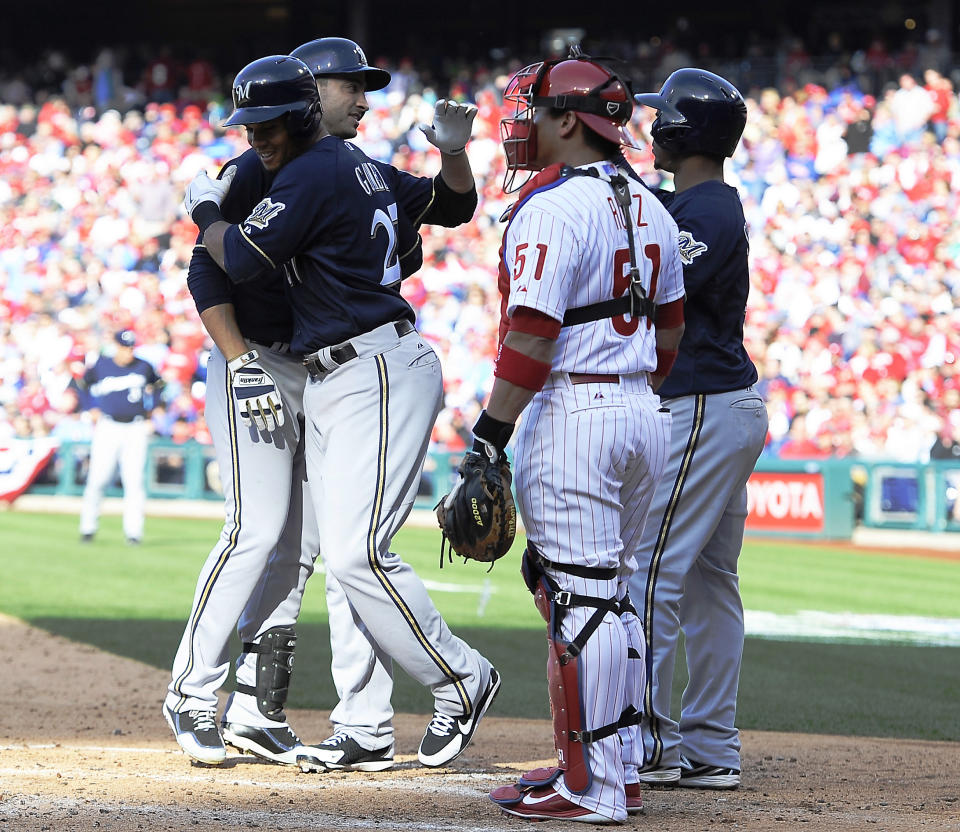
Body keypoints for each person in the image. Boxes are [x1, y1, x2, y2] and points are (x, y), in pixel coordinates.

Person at [176, 53, 499, 771]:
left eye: (362, 87)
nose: (361, 98)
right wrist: (239, 359)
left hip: (365, 364)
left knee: (351, 553)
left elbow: (243, 256)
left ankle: (455, 684)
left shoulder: (326, 168)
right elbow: (211, 273)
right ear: (309, 92)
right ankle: (354, 723)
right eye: (350, 84)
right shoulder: (348, 168)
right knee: (315, 548)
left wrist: (202, 208)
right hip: (320, 366)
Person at [480, 50, 686, 823]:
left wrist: (487, 436)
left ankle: (591, 786)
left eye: (534, 112)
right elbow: (670, 338)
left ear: (569, 119)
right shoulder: (654, 204)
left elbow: (530, 336)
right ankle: (615, 768)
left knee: (581, 600)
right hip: (642, 408)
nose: (524, 126)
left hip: (575, 409)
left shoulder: (551, 207)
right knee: (616, 597)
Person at [626, 68, 768, 792]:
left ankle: (650, 741)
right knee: (712, 583)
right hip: (725, 402)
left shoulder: (707, 208)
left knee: (650, 570)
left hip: (706, 403)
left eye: (661, 115)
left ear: (683, 130)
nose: (651, 126)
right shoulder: (696, 201)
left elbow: (657, 288)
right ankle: (710, 747)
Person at [78, 329, 163, 545]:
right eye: (125, 347)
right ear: (116, 346)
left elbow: (160, 386)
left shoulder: (143, 366)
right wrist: (90, 408)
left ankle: (133, 533)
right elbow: (81, 385)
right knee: (98, 478)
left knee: (134, 481)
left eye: (131, 347)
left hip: (135, 427)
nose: (128, 351)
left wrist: (152, 409)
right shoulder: (101, 364)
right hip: (108, 426)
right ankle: (88, 527)